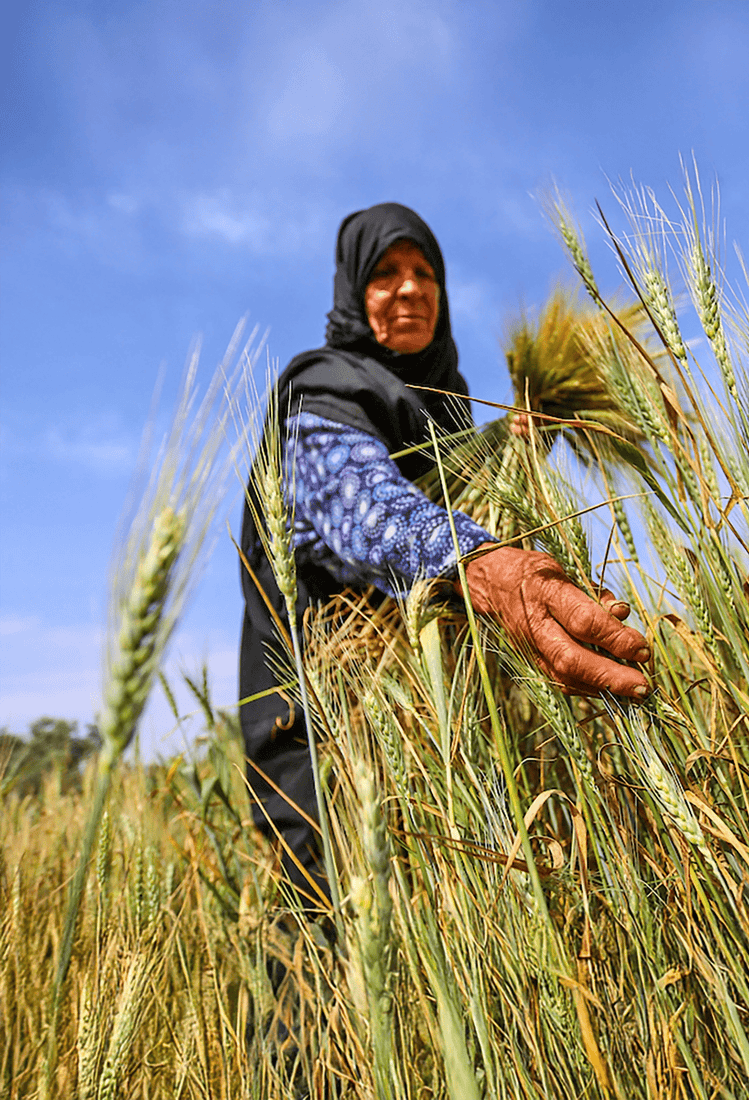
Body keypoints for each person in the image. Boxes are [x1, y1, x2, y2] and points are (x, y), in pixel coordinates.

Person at [238, 203, 651, 907]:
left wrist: (511, 446)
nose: (410, 288)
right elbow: (359, 502)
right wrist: (477, 561)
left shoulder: (445, 412)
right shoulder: (324, 387)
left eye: (425, 271)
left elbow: (449, 492)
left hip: (442, 746)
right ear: (351, 290)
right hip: (327, 746)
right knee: (322, 972)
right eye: (385, 273)